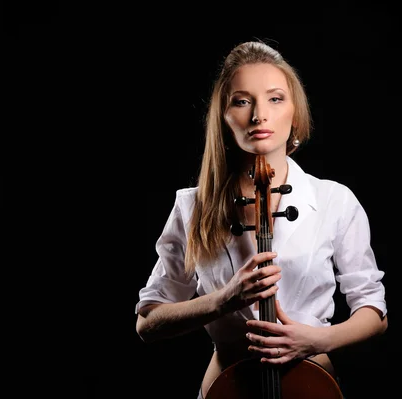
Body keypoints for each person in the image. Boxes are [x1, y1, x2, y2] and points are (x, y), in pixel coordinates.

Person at [135, 40, 388, 399]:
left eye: (275, 98)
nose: (258, 115)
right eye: (242, 101)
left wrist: (317, 339)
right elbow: (148, 324)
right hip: (228, 385)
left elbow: (374, 310)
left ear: (295, 114)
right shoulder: (193, 207)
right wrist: (223, 299)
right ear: (223, 117)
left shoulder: (334, 200)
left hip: (313, 382)